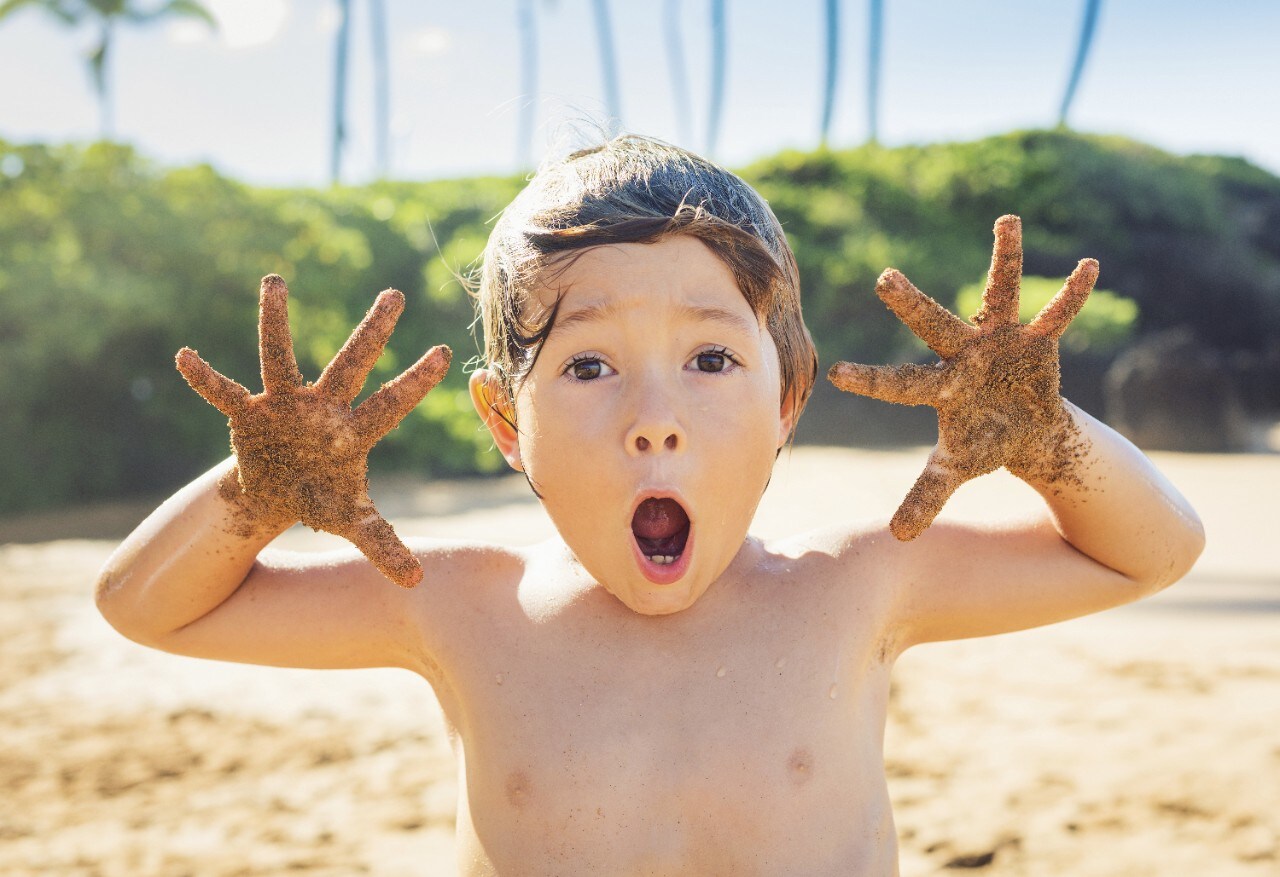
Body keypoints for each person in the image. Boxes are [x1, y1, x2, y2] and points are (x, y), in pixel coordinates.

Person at [95, 134, 1204, 875]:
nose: (653, 419)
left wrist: (1047, 439)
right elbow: (151, 607)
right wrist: (257, 491)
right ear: (504, 423)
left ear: (790, 398)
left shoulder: (861, 581)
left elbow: (1150, 551)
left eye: (712, 359)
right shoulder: (456, 605)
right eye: (586, 367)